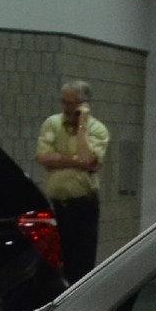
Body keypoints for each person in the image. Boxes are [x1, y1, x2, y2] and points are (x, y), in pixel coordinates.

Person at [34, 79, 109, 281]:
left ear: (83, 104)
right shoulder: (52, 124)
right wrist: (76, 161)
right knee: (51, 263)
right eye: (63, 102)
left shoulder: (98, 130)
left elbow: (88, 159)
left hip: (82, 206)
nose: (65, 108)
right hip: (55, 205)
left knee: (81, 262)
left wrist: (82, 125)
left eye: (70, 103)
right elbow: (43, 157)